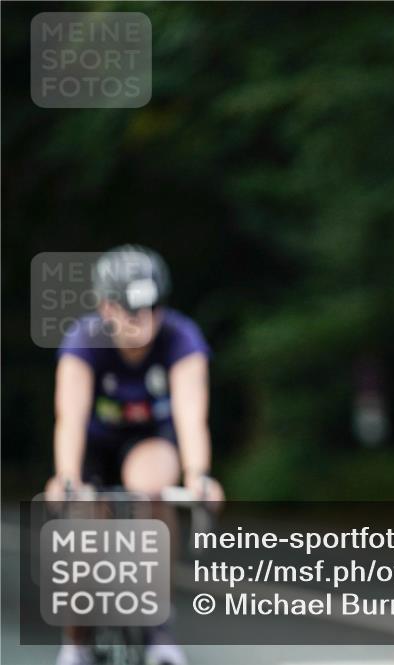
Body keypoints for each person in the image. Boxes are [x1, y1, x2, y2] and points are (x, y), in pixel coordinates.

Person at [45, 245, 224, 665]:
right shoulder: (83, 339)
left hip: (148, 443)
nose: (142, 321)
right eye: (130, 310)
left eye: (152, 308)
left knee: (153, 491)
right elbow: (68, 418)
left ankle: (158, 629)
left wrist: (199, 475)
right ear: (106, 307)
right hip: (93, 447)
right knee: (83, 524)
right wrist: (66, 477)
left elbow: (191, 417)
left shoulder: (182, 337)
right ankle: (76, 642)